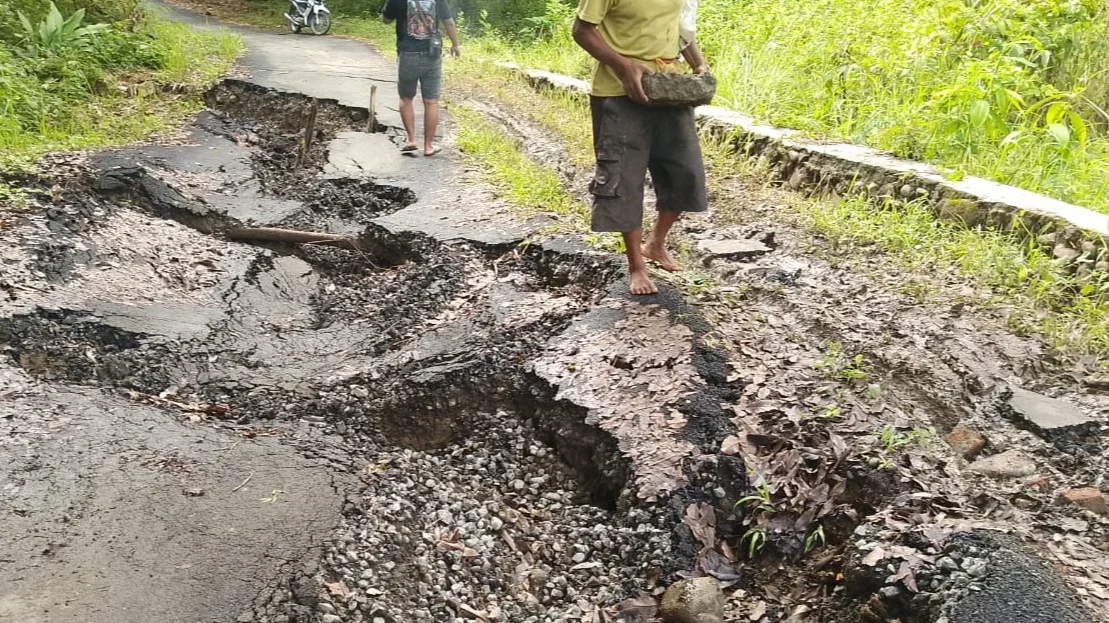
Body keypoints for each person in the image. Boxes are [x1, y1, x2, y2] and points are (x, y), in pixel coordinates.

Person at [572, 0, 710, 295]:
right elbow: (582, 30)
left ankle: (656, 243)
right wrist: (624, 66)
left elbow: (679, 29)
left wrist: (698, 63)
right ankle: (636, 265)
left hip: (668, 88)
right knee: (624, 180)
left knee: (686, 175)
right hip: (618, 93)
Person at [383, 0, 461, 156]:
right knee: (431, 101)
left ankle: (411, 140)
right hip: (432, 53)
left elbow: (386, 20)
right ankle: (428, 146)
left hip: (407, 55)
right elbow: (449, 22)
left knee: (406, 98)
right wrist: (455, 44)